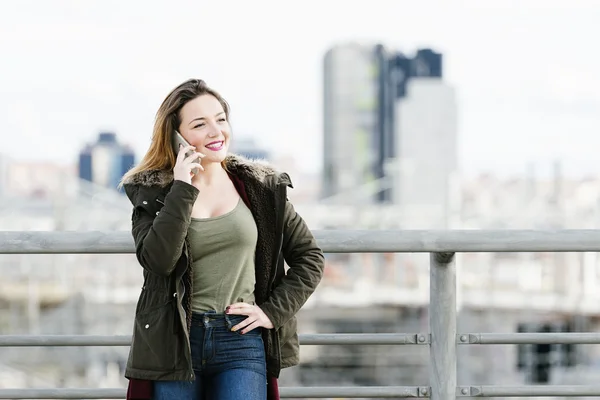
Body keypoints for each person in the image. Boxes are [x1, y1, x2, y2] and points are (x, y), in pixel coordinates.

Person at [119, 78, 325, 400]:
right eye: (200, 124)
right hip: (175, 341)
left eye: (221, 119)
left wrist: (270, 312)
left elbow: (310, 258)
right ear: (176, 137)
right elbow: (159, 260)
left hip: (240, 339)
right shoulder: (152, 195)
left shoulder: (262, 189)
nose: (216, 132)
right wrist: (182, 188)